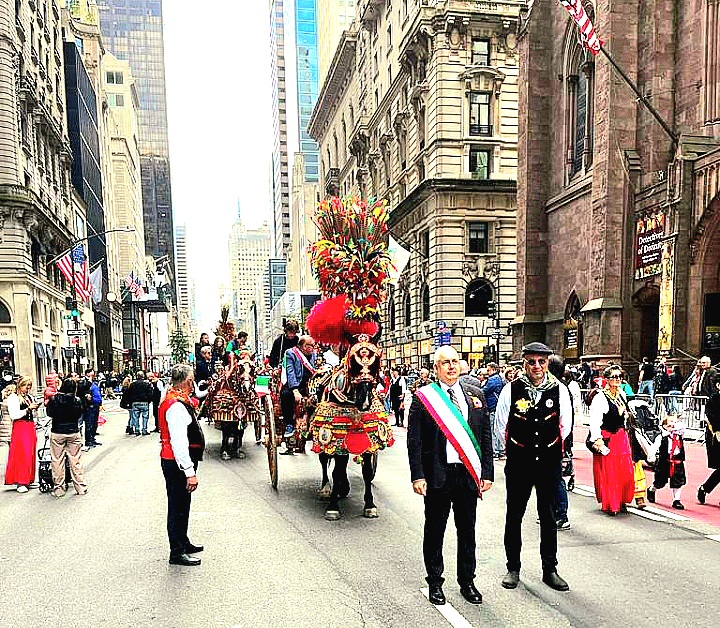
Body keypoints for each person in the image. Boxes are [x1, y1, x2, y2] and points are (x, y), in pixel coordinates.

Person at [407, 346, 494, 606]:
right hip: (438, 476)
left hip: (467, 475)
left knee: (467, 531)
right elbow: (415, 441)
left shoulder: (475, 395)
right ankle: (435, 582)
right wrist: (417, 475)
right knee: (435, 531)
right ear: (436, 368)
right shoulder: (424, 398)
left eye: (455, 361)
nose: (451, 366)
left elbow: (485, 437)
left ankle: (467, 581)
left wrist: (487, 472)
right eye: (445, 363)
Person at [495, 342, 572, 592]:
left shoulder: (559, 390)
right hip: (520, 463)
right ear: (524, 363)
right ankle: (513, 567)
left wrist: (548, 448)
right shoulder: (511, 390)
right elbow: (500, 426)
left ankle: (550, 569)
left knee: (548, 517)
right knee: (514, 515)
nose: (536, 366)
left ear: (548, 363)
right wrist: (517, 448)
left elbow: (565, 425)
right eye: (531, 361)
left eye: (542, 361)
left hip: (548, 463)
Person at [158, 364, 205, 566]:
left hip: (175, 461)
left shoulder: (175, 399)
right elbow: (179, 442)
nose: (193, 381)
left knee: (183, 504)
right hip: (176, 462)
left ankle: (183, 541)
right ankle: (176, 551)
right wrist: (189, 471)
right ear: (187, 381)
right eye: (192, 378)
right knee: (177, 506)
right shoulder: (176, 405)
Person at [589, 365, 636, 515]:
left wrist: (626, 415)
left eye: (619, 377)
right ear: (607, 379)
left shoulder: (621, 393)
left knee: (626, 471)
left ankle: (622, 499)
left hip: (621, 437)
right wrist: (597, 438)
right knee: (611, 472)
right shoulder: (600, 397)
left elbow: (625, 412)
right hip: (608, 436)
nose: (617, 380)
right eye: (614, 377)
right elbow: (595, 420)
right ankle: (612, 503)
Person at [46, 378, 87, 497]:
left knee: (57, 460)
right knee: (75, 460)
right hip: (73, 432)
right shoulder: (77, 400)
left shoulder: (54, 399)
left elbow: (49, 413)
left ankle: (59, 488)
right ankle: (80, 487)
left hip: (58, 432)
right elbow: (79, 414)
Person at [3, 376, 40, 493]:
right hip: (20, 426)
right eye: (25, 386)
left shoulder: (27, 396)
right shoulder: (13, 398)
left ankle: (28, 478)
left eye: (29, 386)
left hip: (29, 426)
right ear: (20, 385)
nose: (27, 389)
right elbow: (14, 415)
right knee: (22, 453)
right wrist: (28, 409)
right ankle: (21, 481)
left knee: (30, 453)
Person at [547, 355, 571, 530]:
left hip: (556, 439)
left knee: (556, 478)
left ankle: (561, 514)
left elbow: (566, 419)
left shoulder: (559, 388)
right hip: (549, 440)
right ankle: (551, 512)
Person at [279, 336, 317, 445]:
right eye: (311, 346)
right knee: (286, 395)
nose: (313, 348)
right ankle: (289, 425)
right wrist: (295, 390)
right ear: (303, 346)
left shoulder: (314, 354)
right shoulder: (290, 353)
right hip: (294, 385)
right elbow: (290, 372)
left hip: (310, 386)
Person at [647, 414, 686, 509]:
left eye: (675, 422)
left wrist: (675, 426)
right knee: (660, 481)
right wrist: (651, 456)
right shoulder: (662, 436)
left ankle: (676, 500)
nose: (674, 424)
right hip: (665, 461)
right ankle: (652, 489)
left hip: (677, 461)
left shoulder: (679, 434)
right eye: (671, 422)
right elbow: (655, 447)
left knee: (678, 481)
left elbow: (682, 427)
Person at [697, 379, 720, 506]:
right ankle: (705, 488)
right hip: (716, 436)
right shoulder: (714, 399)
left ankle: (705, 488)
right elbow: (712, 417)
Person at [482, 362, 504, 460]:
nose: (487, 372)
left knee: (493, 429)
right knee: (497, 428)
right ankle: (499, 450)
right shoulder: (499, 378)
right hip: (496, 405)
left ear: (494, 370)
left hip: (492, 406)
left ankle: (495, 451)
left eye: (488, 370)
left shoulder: (492, 380)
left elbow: (484, 391)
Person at [81, 369, 102, 450]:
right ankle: (88, 440)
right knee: (89, 423)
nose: (93, 374)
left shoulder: (94, 382)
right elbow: (83, 391)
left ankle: (92, 438)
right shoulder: (85, 382)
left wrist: (100, 403)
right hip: (90, 406)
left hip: (96, 405)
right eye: (91, 373)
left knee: (94, 423)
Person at [128, 371, 154, 436]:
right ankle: (144, 430)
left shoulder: (132, 384)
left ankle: (137, 430)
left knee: (135, 417)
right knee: (145, 417)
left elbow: (129, 394)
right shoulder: (146, 384)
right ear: (143, 376)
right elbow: (150, 393)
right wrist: (149, 400)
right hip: (144, 402)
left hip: (135, 402)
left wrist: (131, 401)